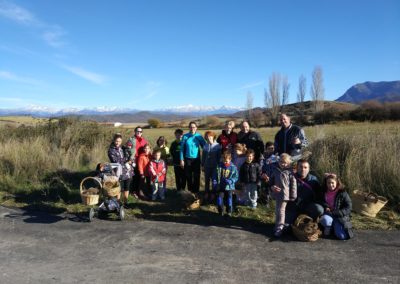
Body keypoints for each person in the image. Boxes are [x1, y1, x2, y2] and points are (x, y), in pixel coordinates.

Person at [265, 153, 297, 237]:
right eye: (281, 162)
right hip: (277, 193)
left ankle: (280, 228)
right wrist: (272, 186)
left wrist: (293, 195)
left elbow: (293, 185)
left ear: (289, 163)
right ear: (278, 161)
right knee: (277, 210)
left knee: (281, 211)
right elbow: (271, 181)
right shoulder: (275, 170)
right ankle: (277, 225)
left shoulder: (290, 172)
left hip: (285, 195)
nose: (283, 164)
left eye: (285, 162)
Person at [285, 159, 324, 224]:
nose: (303, 169)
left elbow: (320, 193)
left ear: (309, 169)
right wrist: (272, 186)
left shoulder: (313, 179)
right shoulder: (290, 177)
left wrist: (326, 179)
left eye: (305, 167)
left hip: (307, 206)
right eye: (301, 167)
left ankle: (309, 222)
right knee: (286, 229)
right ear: (297, 168)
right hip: (292, 207)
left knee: (319, 209)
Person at [318, 173, 354, 240]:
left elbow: (349, 207)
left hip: (338, 216)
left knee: (342, 236)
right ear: (326, 183)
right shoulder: (323, 191)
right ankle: (328, 227)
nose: (330, 185)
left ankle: (334, 227)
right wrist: (326, 206)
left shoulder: (342, 192)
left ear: (337, 182)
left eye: (332, 183)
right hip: (328, 214)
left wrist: (338, 213)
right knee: (325, 220)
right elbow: (320, 201)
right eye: (328, 183)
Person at [180, 121, 206, 194]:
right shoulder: (185, 136)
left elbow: (205, 146)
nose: (192, 128)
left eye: (194, 127)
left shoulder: (199, 136)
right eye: (191, 127)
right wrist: (181, 159)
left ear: (196, 128)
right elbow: (182, 149)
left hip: (196, 159)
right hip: (187, 159)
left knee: (196, 176)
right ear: (189, 128)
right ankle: (190, 191)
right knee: (188, 176)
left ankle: (196, 191)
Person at [107, 133, 134, 205]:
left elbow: (130, 156)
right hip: (118, 172)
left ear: (121, 141)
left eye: (119, 141)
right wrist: (126, 161)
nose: (117, 143)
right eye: (116, 141)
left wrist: (131, 160)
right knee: (119, 188)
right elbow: (115, 161)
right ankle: (118, 203)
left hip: (127, 171)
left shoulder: (123, 148)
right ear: (113, 140)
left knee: (127, 187)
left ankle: (125, 202)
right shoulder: (111, 150)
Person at [213, 151, 239, 216]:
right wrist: (215, 182)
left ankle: (229, 211)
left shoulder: (233, 167)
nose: (225, 162)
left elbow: (236, 177)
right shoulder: (219, 166)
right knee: (219, 198)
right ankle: (220, 211)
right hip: (220, 186)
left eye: (226, 161)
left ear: (230, 159)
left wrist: (231, 181)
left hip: (229, 187)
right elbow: (215, 176)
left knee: (229, 199)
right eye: (223, 160)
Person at [126, 126, 148, 198]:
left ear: (142, 133)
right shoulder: (131, 140)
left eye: (140, 131)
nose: (139, 132)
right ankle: (134, 191)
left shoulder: (144, 141)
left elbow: (147, 149)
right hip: (134, 161)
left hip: (142, 161)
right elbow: (127, 150)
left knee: (141, 176)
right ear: (135, 132)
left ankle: (140, 191)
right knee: (134, 177)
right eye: (137, 131)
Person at [201, 131, 221, 202]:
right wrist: (202, 165)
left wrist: (219, 166)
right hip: (206, 166)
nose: (208, 138)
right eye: (207, 136)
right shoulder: (205, 146)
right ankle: (206, 193)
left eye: (210, 136)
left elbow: (219, 157)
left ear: (213, 137)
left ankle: (213, 193)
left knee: (214, 181)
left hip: (215, 166)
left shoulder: (217, 146)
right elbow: (203, 157)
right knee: (206, 180)